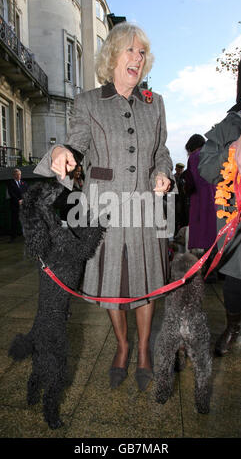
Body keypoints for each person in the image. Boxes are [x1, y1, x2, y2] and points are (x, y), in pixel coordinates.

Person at [34, 22, 174, 391]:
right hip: (105, 211)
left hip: (146, 209)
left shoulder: (154, 102)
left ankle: (144, 348)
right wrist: (61, 153)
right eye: (130, 50)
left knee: (146, 283)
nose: (137, 58)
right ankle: (122, 345)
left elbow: (162, 151)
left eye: (142, 52)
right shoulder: (88, 102)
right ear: (112, 55)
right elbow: (75, 145)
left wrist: (163, 173)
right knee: (115, 282)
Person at [198, 55, 241, 356]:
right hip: (237, 220)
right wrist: (232, 151)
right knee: (237, 279)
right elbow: (205, 167)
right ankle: (233, 327)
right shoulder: (231, 123)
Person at [184, 134, 217, 255]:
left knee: (203, 233)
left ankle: (207, 266)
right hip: (214, 197)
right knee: (214, 232)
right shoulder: (210, 155)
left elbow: (190, 182)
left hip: (198, 199)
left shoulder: (193, 158)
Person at [7, 168, 28, 242]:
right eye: (17, 174)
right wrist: (18, 201)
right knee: (14, 221)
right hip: (15, 206)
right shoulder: (10, 184)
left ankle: (26, 236)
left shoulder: (24, 183)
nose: (19, 175)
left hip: (24, 205)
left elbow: (27, 193)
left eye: (20, 174)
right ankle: (13, 237)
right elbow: (11, 194)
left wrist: (23, 200)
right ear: (14, 175)